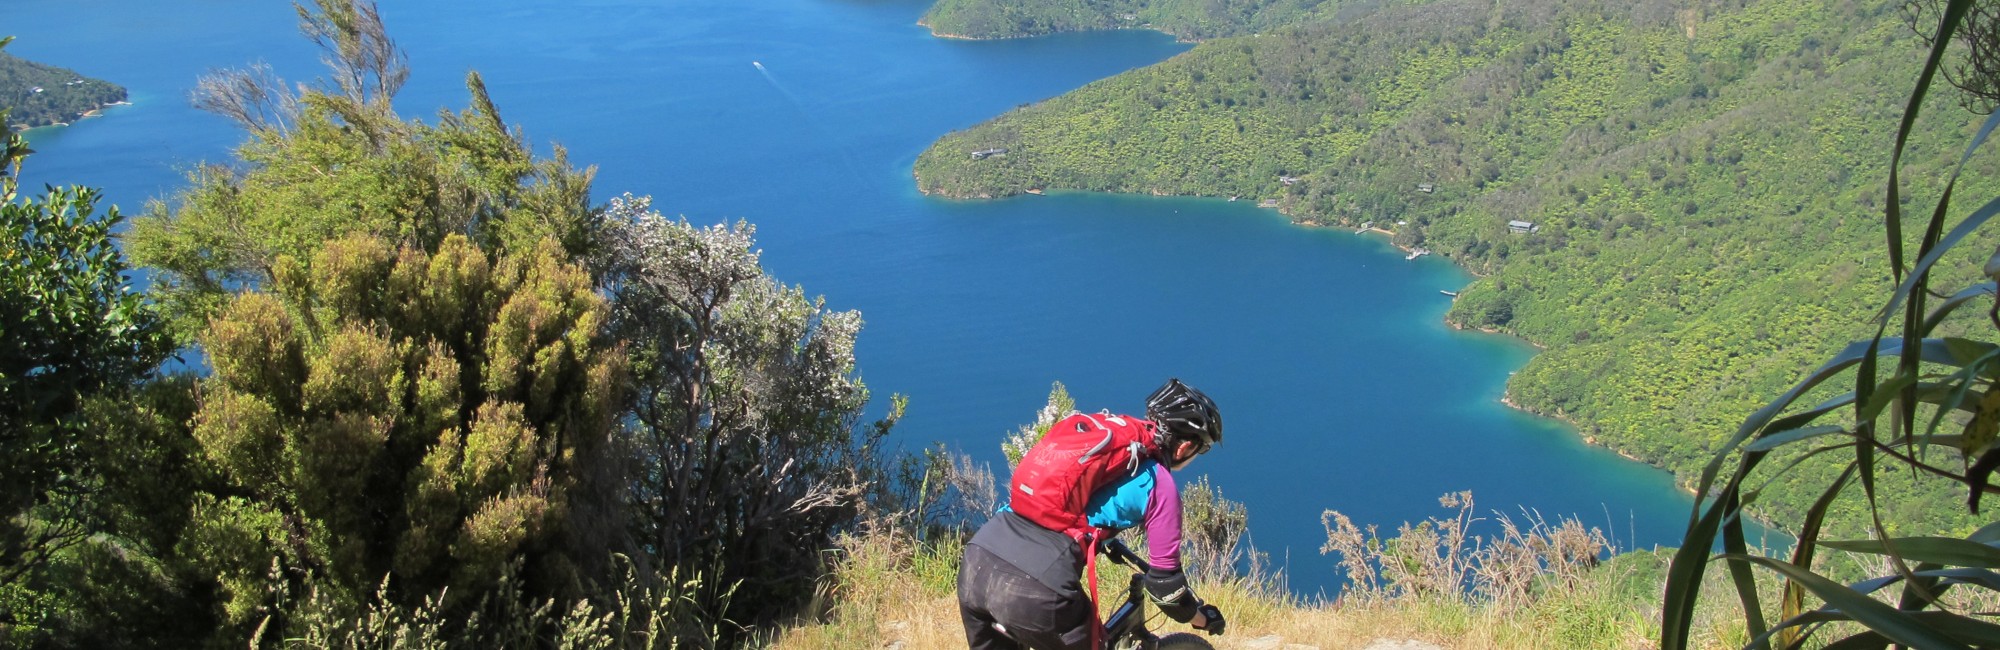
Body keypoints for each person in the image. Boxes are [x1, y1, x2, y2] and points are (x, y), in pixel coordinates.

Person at [957, 379, 1228, 650]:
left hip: (978, 559)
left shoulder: (1111, 444)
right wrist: (1200, 617)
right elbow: (1166, 589)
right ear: (1185, 447)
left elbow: (1078, 510)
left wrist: (1106, 541)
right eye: (1201, 448)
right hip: (1038, 587)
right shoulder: (1160, 484)